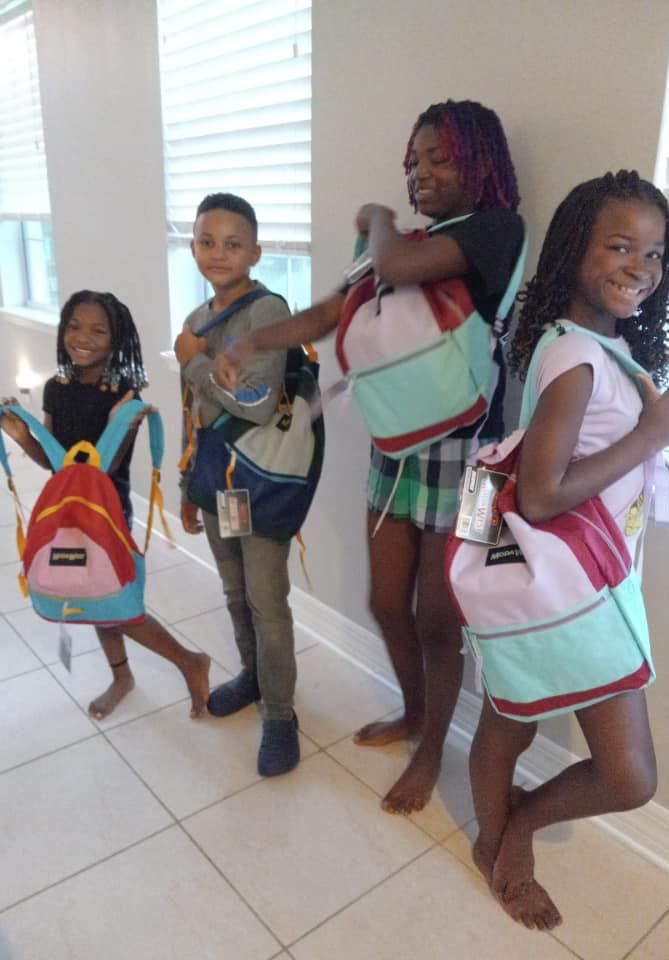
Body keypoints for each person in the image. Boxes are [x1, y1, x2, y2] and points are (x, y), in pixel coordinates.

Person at [212, 99, 524, 812]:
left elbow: (396, 259)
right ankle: (415, 714)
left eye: (439, 158)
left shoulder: (496, 229)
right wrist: (251, 341)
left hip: (476, 458)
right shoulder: (408, 239)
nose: (421, 173)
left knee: (443, 619)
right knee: (387, 602)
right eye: (414, 162)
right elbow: (329, 315)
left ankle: (433, 749)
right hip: (397, 444)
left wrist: (375, 217)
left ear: (482, 160)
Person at [468, 170, 669, 931]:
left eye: (653, 254)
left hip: (590, 585)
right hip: (568, 589)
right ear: (575, 248)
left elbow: (620, 452)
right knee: (623, 772)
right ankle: (505, 837)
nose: (638, 267)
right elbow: (543, 492)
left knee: (511, 715)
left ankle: (504, 829)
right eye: (619, 245)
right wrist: (654, 432)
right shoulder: (575, 360)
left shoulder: (603, 348)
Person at [0, 290, 210, 720]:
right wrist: (23, 437)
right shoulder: (56, 389)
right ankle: (123, 676)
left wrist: (123, 420)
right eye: (74, 326)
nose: (82, 337)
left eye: (98, 330)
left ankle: (189, 661)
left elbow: (105, 466)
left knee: (118, 603)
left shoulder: (124, 395)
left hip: (108, 512)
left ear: (115, 341)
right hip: (66, 512)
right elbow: (58, 467)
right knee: (89, 593)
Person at [174, 192, 301, 777]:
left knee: (266, 601)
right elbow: (193, 409)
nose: (217, 253)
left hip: (261, 481)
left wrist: (194, 361)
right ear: (192, 245)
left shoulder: (266, 313)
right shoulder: (196, 321)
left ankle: (280, 715)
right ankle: (252, 678)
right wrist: (186, 483)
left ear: (255, 250)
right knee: (233, 592)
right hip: (219, 483)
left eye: (232, 243)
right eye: (206, 240)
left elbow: (252, 403)